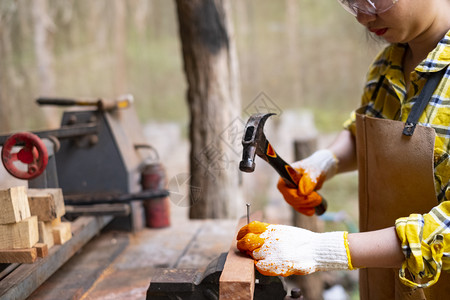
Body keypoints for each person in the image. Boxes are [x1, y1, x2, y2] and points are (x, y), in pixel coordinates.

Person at [236, 0, 450, 299]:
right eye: (351, 3)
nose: (363, 16)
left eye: (375, 0)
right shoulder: (388, 63)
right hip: (386, 284)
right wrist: (325, 162)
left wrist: (322, 250)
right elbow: (369, 129)